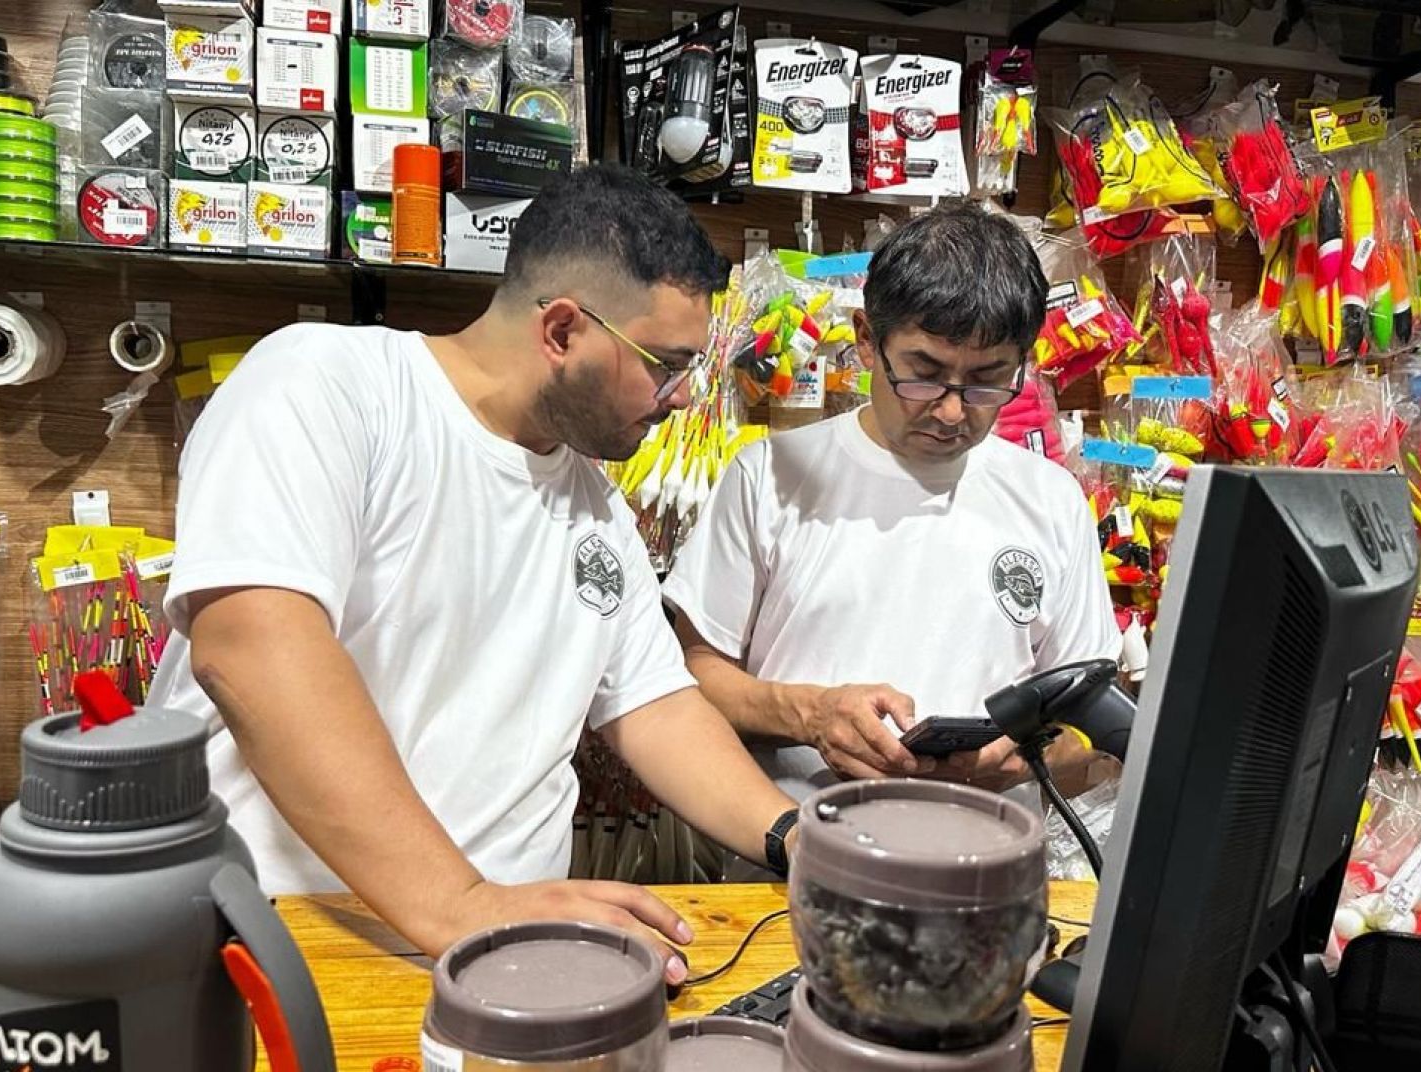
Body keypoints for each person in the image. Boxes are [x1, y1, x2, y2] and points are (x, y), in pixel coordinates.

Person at [146, 164, 801, 984]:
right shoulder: (329, 384)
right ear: (562, 330)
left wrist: (796, 839)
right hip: (291, 940)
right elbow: (250, 651)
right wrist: (461, 902)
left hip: (502, 953)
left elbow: (655, 703)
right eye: (664, 365)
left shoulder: (593, 502)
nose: (678, 399)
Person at [663, 202, 1120, 804]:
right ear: (865, 342)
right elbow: (692, 675)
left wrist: (1026, 753)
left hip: (984, 870)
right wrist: (811, 713)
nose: (953, 411)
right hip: (792, 863)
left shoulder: (1053, 499)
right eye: (923, 372)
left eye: (987, 380)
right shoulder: (769, 474)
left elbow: (1088, 728)